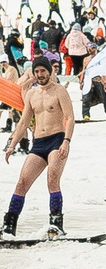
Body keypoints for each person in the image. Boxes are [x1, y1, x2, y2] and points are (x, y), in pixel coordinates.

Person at [4, 58, 74, 238]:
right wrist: (12, 144)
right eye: (37, 71)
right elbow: (23, 122)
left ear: (50, 71)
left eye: (43, 71)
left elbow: (70, 118)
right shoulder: (31, 94)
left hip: (57, 140)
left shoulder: (59, 91)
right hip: (39, 143)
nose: (40, 75)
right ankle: (9, 225)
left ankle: (56, 225)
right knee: (22, 182)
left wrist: (66, 141)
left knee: (52, 179)